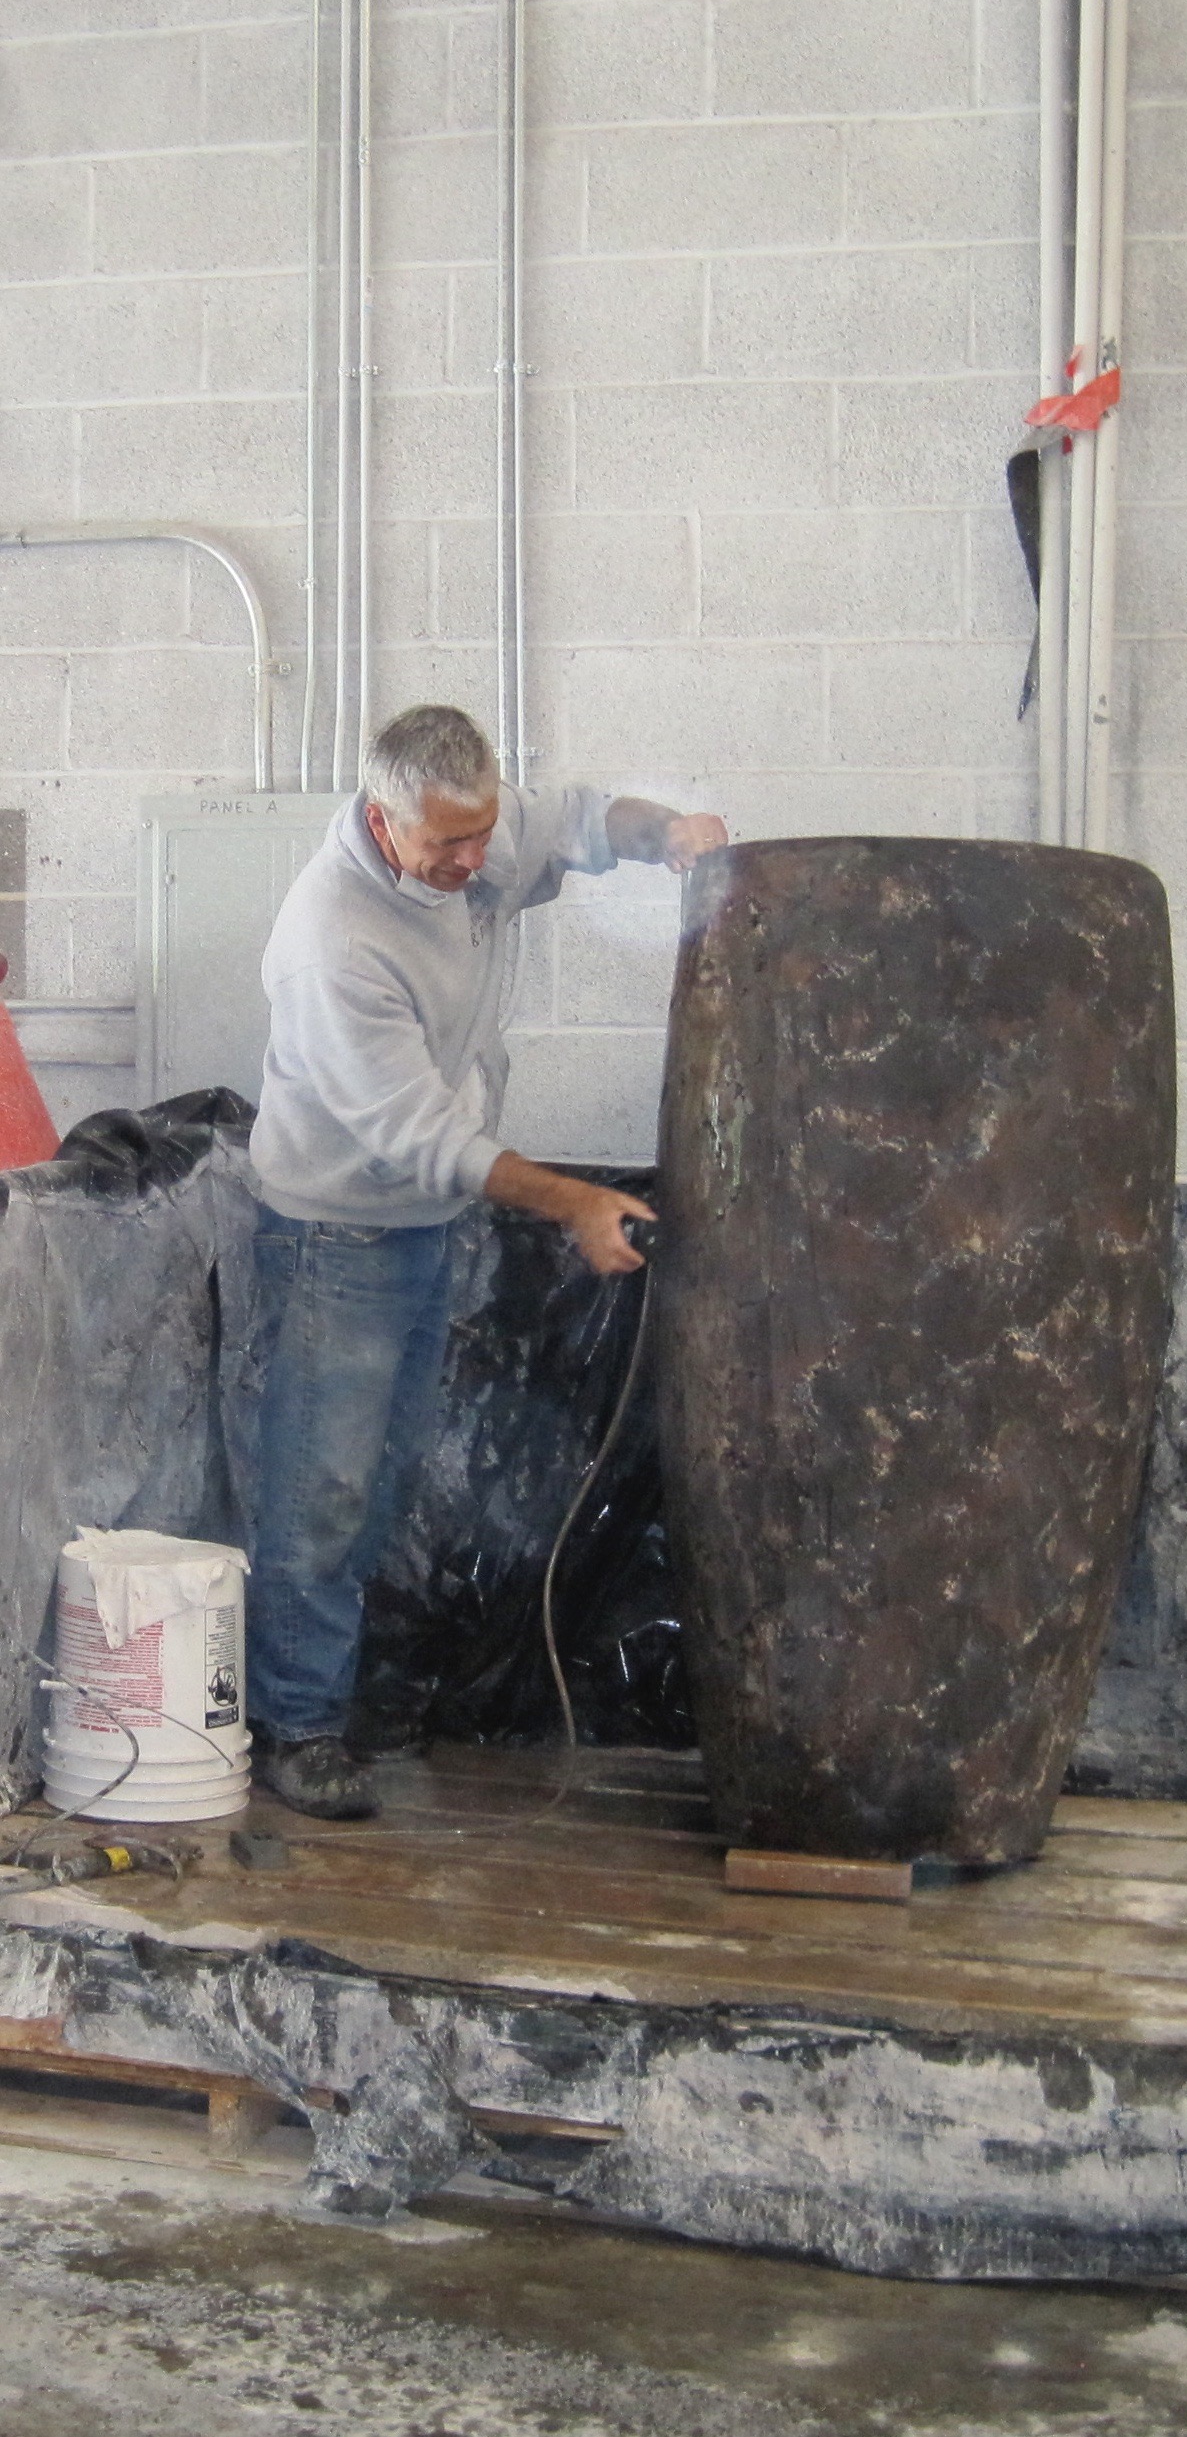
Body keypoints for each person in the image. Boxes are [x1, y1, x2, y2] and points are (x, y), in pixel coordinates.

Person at [246, 703, 727, 1818]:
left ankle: (345, 1694)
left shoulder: (477, 831)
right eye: (449, 845)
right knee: (321, 1487)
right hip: (336, 1234)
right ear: (382, 820)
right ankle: (299, 1725)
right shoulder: (333, 943)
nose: (478, 860)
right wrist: (575, 1204)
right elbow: (424, 1136)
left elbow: (577, 821)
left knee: (388, 1475)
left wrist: (668, 833)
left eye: (482, 832)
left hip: (419, 1223)